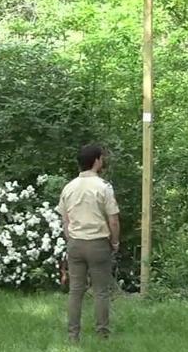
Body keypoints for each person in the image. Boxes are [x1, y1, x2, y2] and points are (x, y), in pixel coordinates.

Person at [57, 144, 120, 342]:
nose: (103, 161)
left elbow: (65, 220)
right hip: (98, 243)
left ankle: (73, 335)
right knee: (101, 291)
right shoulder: (104, 187)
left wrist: (71, 239)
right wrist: (115, 241)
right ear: (96, 161)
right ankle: (102, 334)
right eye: (102, 157)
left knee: (76, 291)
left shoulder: (69, 187)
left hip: (75, 243)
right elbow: (113, 219)